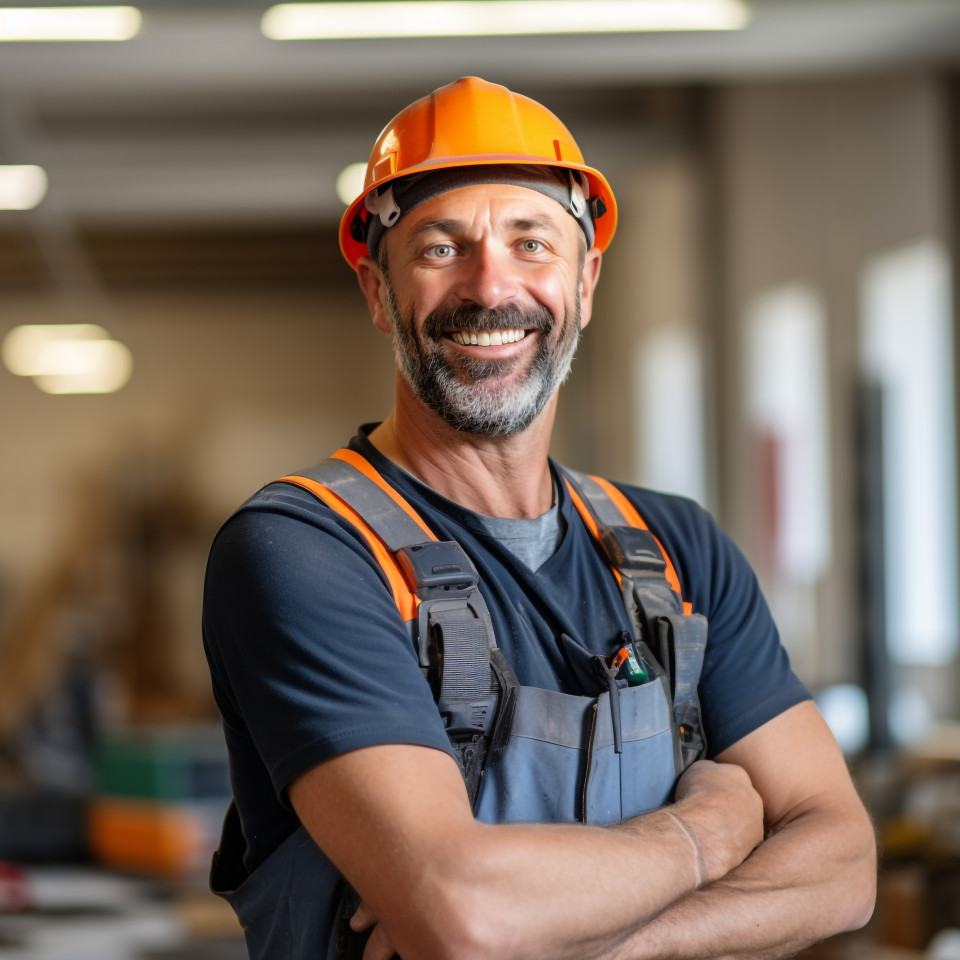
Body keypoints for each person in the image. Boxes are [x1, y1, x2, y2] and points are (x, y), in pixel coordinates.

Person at [203, 76, 876, 960]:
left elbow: (845, 867)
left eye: (531, 243)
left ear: (585, 282)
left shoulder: (678, 551)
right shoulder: (303, 552)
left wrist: (584, 942)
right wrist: (705, 833)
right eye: (441, 247)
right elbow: (462, 912)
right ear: (376, 290)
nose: (491, 286)